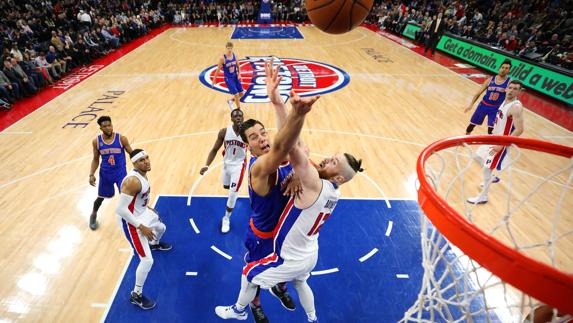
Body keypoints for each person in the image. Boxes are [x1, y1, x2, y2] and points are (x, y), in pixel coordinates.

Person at [215, 66, 363, 323]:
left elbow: (299, 150)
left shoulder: (303, 171)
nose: (262, 138)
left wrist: (298, 173)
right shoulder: (260, 167)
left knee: (278, 275)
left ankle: (277, 290)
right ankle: (253, 307)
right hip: (264, 235)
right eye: (253, 137)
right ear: (247, 147)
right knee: (252, 276)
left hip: (286, 242)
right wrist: (284, 106)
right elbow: (287, 147)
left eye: (263, 133)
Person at [115, 149, 172, 310]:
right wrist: (142, 227)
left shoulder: (143, 174)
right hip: (132, 222)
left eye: (147, 158)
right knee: (147, 260)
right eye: (141, 160)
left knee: (161, 227)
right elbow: (120, 209)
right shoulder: (132, 181)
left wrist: (149, 208)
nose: (146, 161)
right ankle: (136, 295)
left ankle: (154, 244)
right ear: (134, 163)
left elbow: (138, 200)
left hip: (142, 213)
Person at [467, 80, 525, 205]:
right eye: (510, 87)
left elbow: (520, 130)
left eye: (515, 89)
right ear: (506, 89)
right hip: (494, 137)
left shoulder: (516, 107)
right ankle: (492, 177)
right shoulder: (504, 100)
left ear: (519, 91)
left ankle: (483, 196)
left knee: (486, 168)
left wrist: (501, 144)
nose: (511, 90)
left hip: (501, 142)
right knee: (477, 157)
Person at [199, 108, 247, 233]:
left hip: (239, 165)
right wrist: (206, 165)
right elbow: (214, 149)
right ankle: (234, 191)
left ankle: (226, 218)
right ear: (231, 119)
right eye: (235, 116)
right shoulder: (224, 132)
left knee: (232, 194)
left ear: (243, 118)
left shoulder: (247, 133)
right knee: (226, 187)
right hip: (226, 164)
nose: (238, 118)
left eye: (240, 116)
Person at [89, 116, 133, 230]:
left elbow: (131, 153)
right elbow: (95, 159)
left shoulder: (121, 139)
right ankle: (93, 214)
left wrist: (140, 164)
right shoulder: (96, 142)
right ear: (100, 128)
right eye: (105, 126)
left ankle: (133, 218)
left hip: (120, 173)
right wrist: (91, 174)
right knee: (100, 197)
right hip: (105, 174)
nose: (108, 128)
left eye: (109, 125)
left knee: (127, 196)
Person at [464, 59, 512, 136]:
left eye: (506, 68)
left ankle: (489, 146)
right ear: (499, 68)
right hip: (483, 105)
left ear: (509, 71)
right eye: (502, 67)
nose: (503, 69)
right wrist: (471, 105)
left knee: (491, 130)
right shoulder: (490, 80)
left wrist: (506, 110)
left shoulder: (509, 82)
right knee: (472, 124)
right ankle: (466, 137)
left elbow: (509, 98)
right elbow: (478, 93)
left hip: (496, 108)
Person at [211, 42, 245, 110]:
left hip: (235, 77)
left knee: (242, 93)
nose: (229, 50)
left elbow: (238, 67)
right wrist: (214, 80)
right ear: (226, 48)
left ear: (232, 48)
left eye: (231, 48)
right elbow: (218, 70)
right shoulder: (222, 58)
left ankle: (230, 101)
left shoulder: (235, 56)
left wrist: (239, 74)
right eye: (228, 48)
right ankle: (239, 110)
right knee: (236, 94)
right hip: (228, 79)